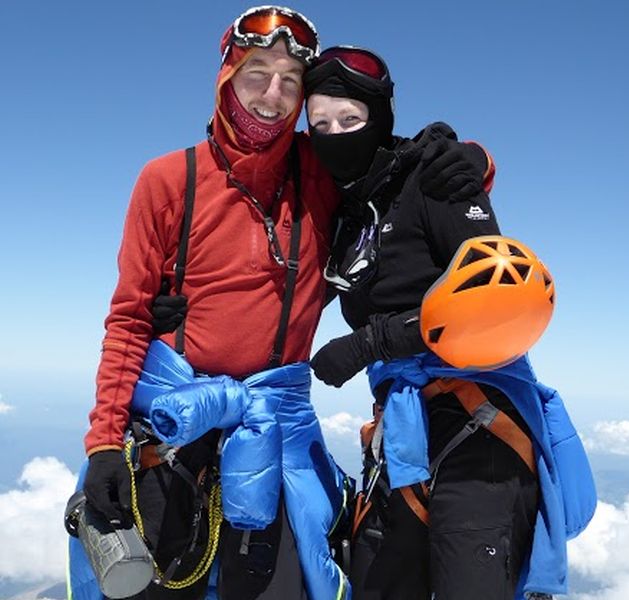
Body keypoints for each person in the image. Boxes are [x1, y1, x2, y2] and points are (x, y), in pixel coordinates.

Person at [69, 8, 488, 600]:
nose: (272, 95)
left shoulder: (318, 170)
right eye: (256, 73)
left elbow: (389, 168)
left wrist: (466, 161)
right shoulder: (168, 181)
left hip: (277, 426)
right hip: (173, 431)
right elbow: (129, 320)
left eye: (291, 80)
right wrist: (106, 444)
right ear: (226, 77)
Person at [304, 47, 596, 600]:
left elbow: (500, 297)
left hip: (478, 425)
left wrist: (370, 342)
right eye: (320, 124)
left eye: (350, 119)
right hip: (405, 431)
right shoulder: (348, 215)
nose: (335, 134)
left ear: (380, 117)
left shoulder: (434, 177)